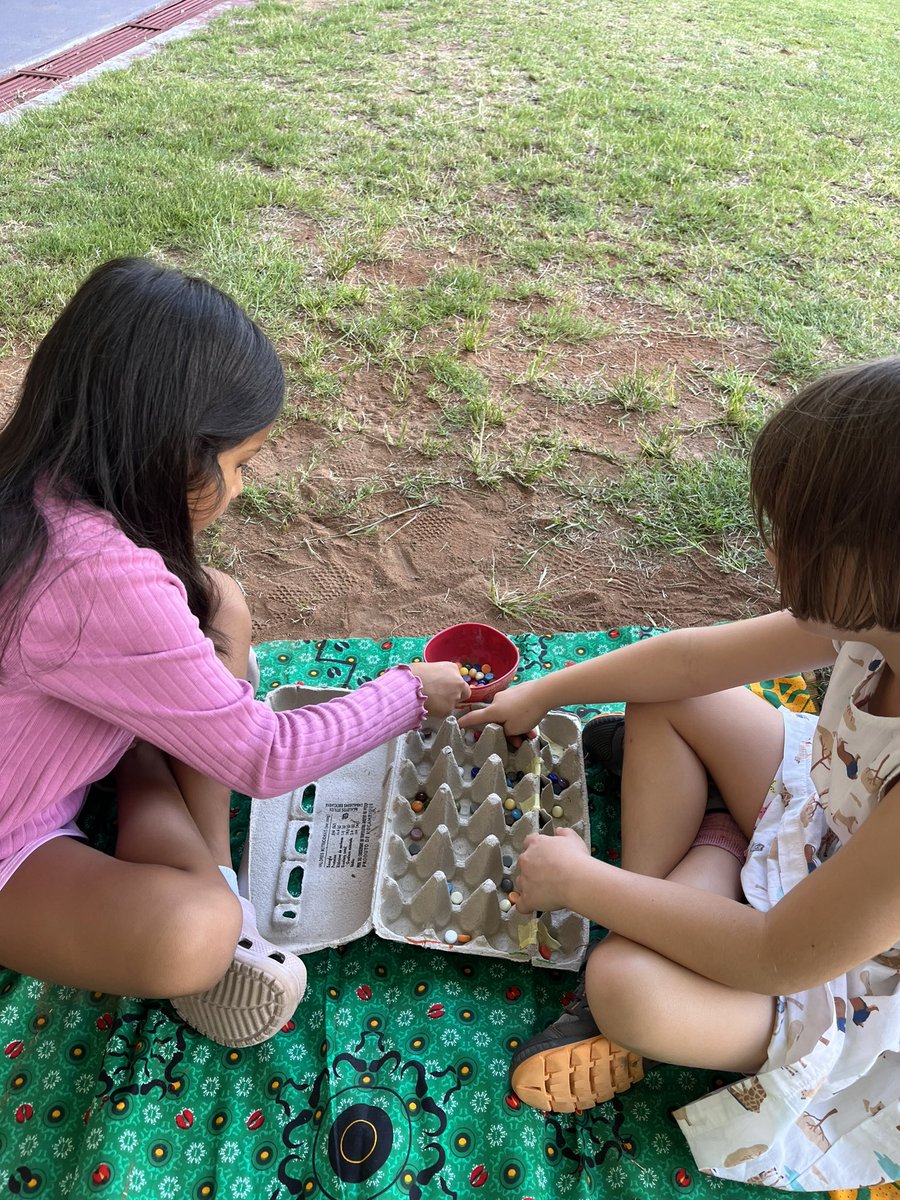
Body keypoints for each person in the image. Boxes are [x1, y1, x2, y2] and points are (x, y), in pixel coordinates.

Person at [0, 257, 469, 1050]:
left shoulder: (35, 486)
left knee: (217, 599)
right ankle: (170, 805)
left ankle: (185, 814)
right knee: (196, 933)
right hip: (19, 837)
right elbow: (264, 756)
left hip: (46, 753)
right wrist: (410, 693)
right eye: (240, 462)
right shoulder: (91, 574)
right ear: (173, 450)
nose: (242, 486)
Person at [459, 357, 900, 1190]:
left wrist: (583, 884)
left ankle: (660, 924)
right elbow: (692, 661)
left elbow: (779, 955)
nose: (775, 549)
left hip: (845, 977)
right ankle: (712, 857)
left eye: (801, 533)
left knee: (625, 986)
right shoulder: (879, 616)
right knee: (666, 698)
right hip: (821, 817)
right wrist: (544, 693)